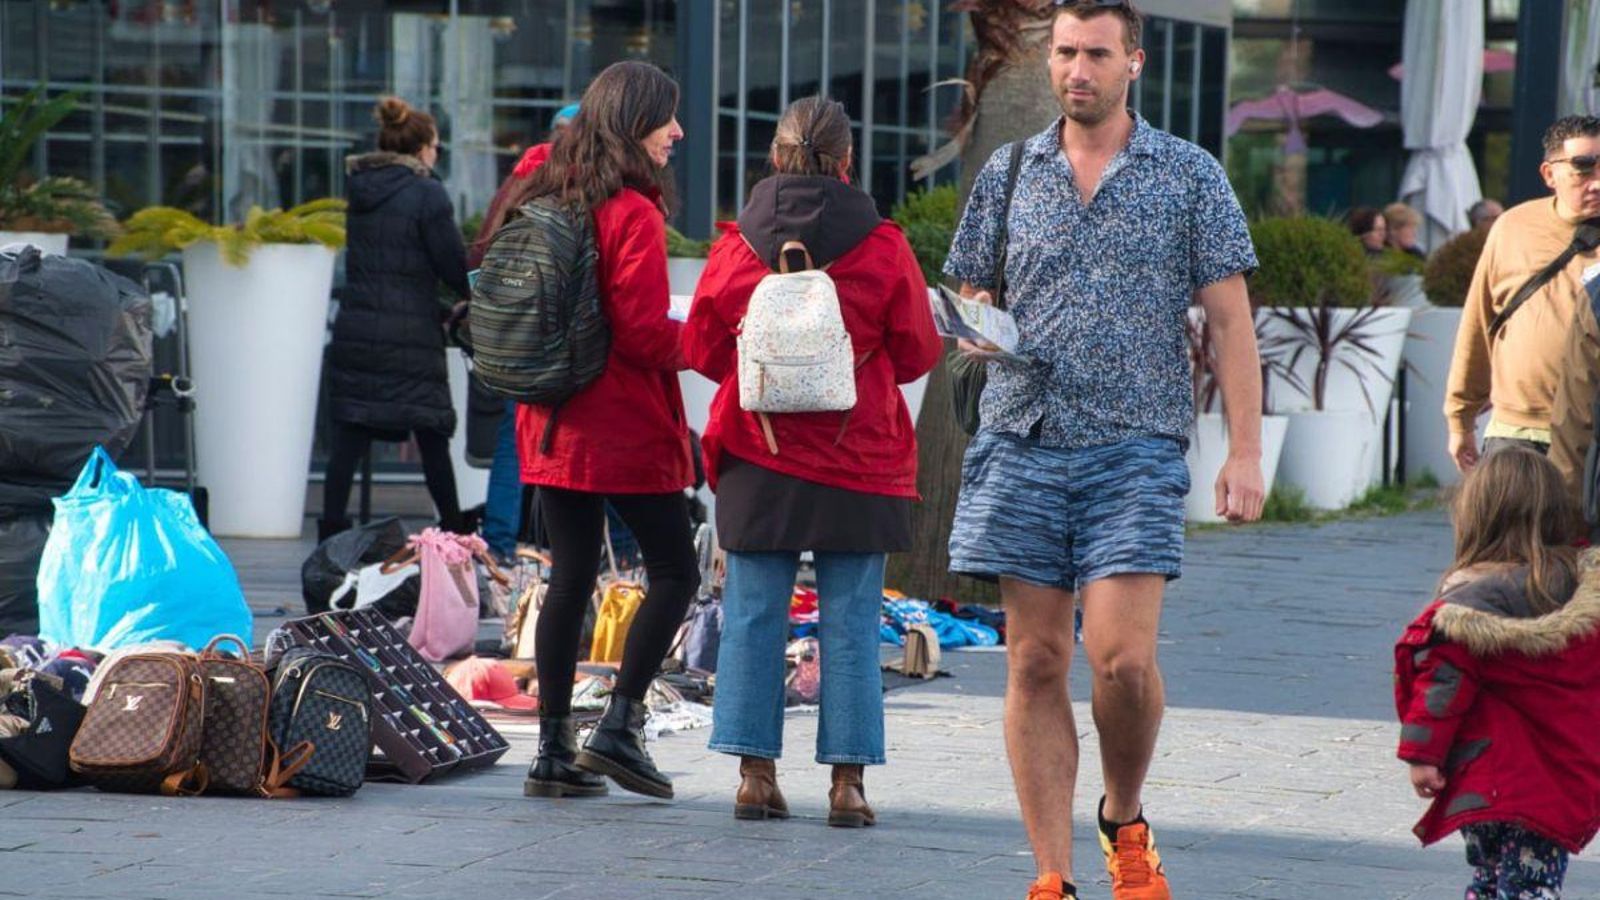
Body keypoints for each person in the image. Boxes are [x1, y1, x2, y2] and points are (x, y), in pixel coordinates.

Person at [941, 3, 1262, 899]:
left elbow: (1231, 321)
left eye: (1095, 54)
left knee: (1121, 658)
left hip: (1135, 444)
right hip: (1023, 437)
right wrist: (978, 330)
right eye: (1064, 53)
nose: (1076, 69)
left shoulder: (1188, 174)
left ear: (1134, 63)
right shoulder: (1008, 172)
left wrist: (1245, 452)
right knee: (1035, 660)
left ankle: (1124, 814)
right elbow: (975, 288)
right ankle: (1053, 874)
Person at [683, 96, 942, 828]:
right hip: (858, 456)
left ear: (774, 156)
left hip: (757, 453)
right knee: (852, 621)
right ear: (848, 161)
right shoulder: (884, 245)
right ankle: (847, 786)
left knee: (755, 612)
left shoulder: (736, 247)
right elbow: (920, 351)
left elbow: (702, 350)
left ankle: (755, 776)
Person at [479, 61, 699, 801]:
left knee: (570, 575)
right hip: (620, 424)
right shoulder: (631, 211)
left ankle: (551, 750)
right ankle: (620, 727)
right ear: (636, 121)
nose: (677, 131)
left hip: (547, 417)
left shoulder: (546, 186)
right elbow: (639, 332)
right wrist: (707, 341)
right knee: (676, 570)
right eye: (667, 117)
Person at [1394, 448, 1600, 900]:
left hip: (1482, 778)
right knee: (1532, 885)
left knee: (1488, 879)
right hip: (1551, 786)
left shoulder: (1466, 605)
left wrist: (1422, 755)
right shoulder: (1580, 600)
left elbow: (1440, 686)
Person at [320, 97, 469, 541]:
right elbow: (449, 263)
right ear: (422, 148)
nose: (437, 155)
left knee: (350, 437)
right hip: (410, 334)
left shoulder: (361, 189)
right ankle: (455, 534)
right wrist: (473, 295)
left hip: (359, 328)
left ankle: (329, 538)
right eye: (436, 147)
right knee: (432, 436)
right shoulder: (427, 192)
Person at [1445, 115, 1600, 471]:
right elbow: (1479, 321)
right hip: (1517, 430)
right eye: (1583, 168)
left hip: (1593, 437)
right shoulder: (1513, 228)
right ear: (1549, 174)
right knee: (1512, 528)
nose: (1597, 182)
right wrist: (1460, 418)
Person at [469, 101, 579, 564]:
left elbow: (478, 254)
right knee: (583, 438)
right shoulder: (572, 182)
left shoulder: (521, 176)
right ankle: (600, 549)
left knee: (513, 440)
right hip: (556, 331)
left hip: (511, 329)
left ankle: (498, 543)